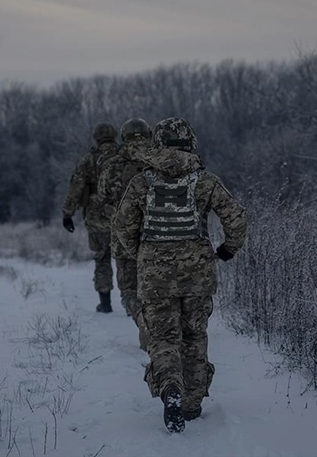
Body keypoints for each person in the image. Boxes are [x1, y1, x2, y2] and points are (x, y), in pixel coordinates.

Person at [113, 117, 247, 433]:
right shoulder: (206, 181)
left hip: (154, 276)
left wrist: (143, 255)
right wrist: (227, 249)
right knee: (194, 335)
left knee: (163, 338)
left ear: (158, 144)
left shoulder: (142, 182)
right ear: (190, 144)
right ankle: (192, 403)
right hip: (198, 275)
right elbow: (237, 218)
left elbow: (122, 226)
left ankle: (170, 388)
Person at [97, 117, 152, 350]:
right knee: (155, 287)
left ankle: (142, 321)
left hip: (123, 237)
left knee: (129, 289)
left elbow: (102, 196)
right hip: (157, 236)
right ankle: (159, 327)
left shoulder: (113, 164)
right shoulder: (159, 159)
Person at [61, 122, 120, 313]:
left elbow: (76, 188)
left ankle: (105, 303)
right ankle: (132, 305)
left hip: (97, 218)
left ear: (96, 137)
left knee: (102, 259)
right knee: (128, 260)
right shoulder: (125, 157)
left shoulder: (88, 160)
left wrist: (67, 214)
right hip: (125, 217)